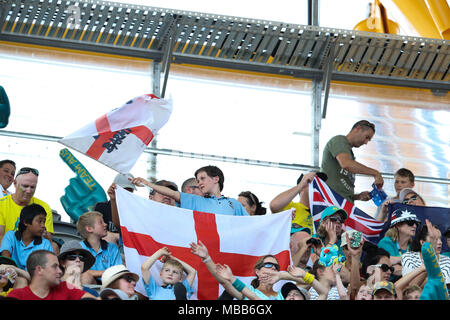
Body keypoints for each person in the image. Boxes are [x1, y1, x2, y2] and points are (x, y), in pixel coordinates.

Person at [131, 165, 248, 216]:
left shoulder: (234, 204)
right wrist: (148, 184)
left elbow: (252, 226)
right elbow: (171, 193)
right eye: (197, 181)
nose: (199, 183)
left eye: (202, 178)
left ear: (216, 179)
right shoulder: (195, 200)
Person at [320, 120, 383, 203]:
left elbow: (342, 187)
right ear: (358, 128)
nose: (366, 142)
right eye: (366, 137)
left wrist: (357, 196)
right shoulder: (339, 140)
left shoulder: (350, 155)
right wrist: (375, 173)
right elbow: (346, 164)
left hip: (343, 206)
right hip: (332, 204)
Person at [0, 167, 55, 251]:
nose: (29, 191)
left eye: (32, 187)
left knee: (54, 246)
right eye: (25, 186)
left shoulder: (44, 207)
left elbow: (47, 240)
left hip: (34, 250)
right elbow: (1, 237)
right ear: (15, 183)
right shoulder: (1, 204)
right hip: (9, 248)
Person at [7, 249, 97, 300]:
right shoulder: (18, 295)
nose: (60, 271)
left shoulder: (64, 288)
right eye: (55, 267)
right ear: (39, 270)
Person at [0, 204, 53, 271]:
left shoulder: (45, 244)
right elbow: (5, 258)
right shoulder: (11, 236)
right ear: (26, 222)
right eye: (39, 221)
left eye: (44, 222)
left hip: (33, 278)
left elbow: (45, 269)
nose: (43, 226)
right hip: (10, 274)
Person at [76, 211, 123, 284]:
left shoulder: (112, 247)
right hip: (91, 283)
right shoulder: (79, 248)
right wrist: (106, 272)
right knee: (86, 276)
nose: (105, 224)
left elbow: (118, 271)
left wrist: (93, 273)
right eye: (101, 222)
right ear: (89, 229)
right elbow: (78, 271)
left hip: (110, 284)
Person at [401, 221, 450, 287]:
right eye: (434, 239)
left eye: (440, 238)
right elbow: (410, 286)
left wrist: (421, 279)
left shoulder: (447, 261)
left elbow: (440, 286)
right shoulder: (408, 257)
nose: (440, 242)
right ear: (423, 242)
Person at [377, 208, 421, 280]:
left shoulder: (413, 246)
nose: (415, 226)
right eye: (410, 223)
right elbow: (388, 265)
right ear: (398, 225)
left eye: (416, 223)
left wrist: (398, 260)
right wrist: (411, 264)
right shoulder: (386, 242)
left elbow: (396, 268)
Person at [93, 173, 136, 245]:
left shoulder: (134, 210)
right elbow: (95, 232)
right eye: (123, 190)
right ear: (114, 188)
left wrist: (116, 237)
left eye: (129, 191)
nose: (126, 194)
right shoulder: (101, 207)